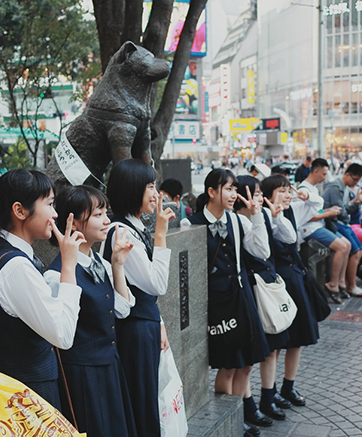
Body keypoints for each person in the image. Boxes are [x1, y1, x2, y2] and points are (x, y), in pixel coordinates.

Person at [0, 169, 84, 413]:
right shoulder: (16, 266)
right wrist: (69, 265)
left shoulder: (2, 253)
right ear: (20, 211)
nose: (55, 214)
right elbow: (63, 335)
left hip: (17, 392)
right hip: (25, 400)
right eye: (50, 204)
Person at [182, 168, 272, 436]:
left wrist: (256, 216)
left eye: (235, 189)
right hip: (217, 303)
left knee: (247, 361)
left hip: (241, 297)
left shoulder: (237, 221)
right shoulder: (192, 223)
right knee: (228, 364)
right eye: (228, 189)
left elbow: (262, 252)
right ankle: (227, 420)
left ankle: (240, 414)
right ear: (211, 192)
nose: (233, 194)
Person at [47, 185, 138, 436]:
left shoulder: (100, 263)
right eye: (98, 214)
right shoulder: (55, 276)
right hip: (81, 375)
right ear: (73, 223)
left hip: (110, 367)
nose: (107, 220)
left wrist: (118, 265)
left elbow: (122, 310)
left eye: (105, 213)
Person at [103, 160, 175, 437]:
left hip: (143, 323)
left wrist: (159, 323)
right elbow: (157, 283)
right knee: (142, 401)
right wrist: (160, 233)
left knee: (146, 398)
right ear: (132, 189)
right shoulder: (122, 232)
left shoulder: (131, 226)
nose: (156, 193)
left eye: (154, 185)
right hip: (133, 328)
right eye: (149, 186)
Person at [234, 176, 292, 424]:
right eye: (254, 194)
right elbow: (261, 251)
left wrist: (274, 215)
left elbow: (290, 238)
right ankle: (248, 406)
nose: (257, 199)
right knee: (250, 355)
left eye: (259, 194)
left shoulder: (264, 215)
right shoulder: (237, 220)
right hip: (250, 290)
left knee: (274, 347)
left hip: (268, 285)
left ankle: (268, 397)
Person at [263, 175, 321, 411]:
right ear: (268, 194)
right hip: (277, 283)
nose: (288, 195)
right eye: (283, 191)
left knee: (298, 339)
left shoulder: (292, 210)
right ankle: (271, 390)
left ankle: (289, 386)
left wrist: (303, 194)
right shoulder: (265, 215)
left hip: (295, 279)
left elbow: (317, 204)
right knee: (277, 340)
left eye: (290, 191)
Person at [294, 158, 350, 303]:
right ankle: (333, 284)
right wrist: (328, 213)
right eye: (324, 174)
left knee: (347, 245)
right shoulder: (303, 190)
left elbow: (315, 210)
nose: (325, 178)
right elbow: (303, 217)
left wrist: (328, 210)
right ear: (316, 171)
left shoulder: (312, 188)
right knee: (342, 247)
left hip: (319, 226)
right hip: (310, 229)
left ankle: (340, 282)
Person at [322, 163, 362, 297]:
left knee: (358, 249)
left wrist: (356, 203)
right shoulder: (336, 187)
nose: (355, 183)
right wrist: (356, 204)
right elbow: (341, 211)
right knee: (354, 250)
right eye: (354, 179)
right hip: (335, 223)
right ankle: (347, 284)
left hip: (341, 223)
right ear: (347, 174)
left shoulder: (344, 187)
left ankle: (343, 283)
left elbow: (344, 209)